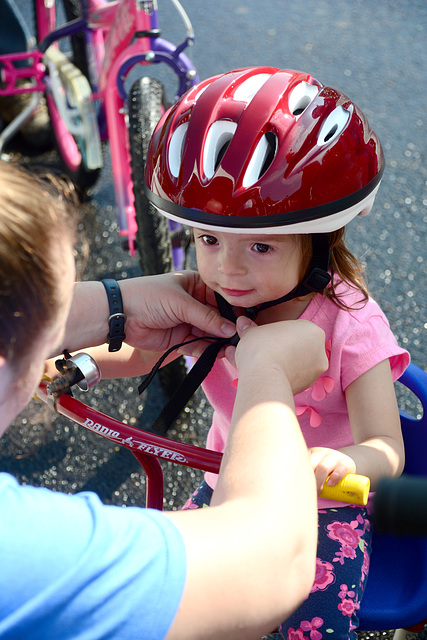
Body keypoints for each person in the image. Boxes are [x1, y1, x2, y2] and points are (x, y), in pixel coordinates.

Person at [94, 67, 410, 640]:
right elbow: (143, 353)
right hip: (229, 481)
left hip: (325, 509)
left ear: (318, 242)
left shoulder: (350, 325)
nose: (226, 269)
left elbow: (388, 448)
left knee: (308, 624)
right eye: (209, 240)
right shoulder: (201, 299)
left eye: (260, 246)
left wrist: (347, 464)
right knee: (170, 602)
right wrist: (77, 362)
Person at [0, 159, 327, 639]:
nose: (227, 269)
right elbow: (271, 565)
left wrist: (117, 305)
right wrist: (269, 373)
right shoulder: (23, 552)